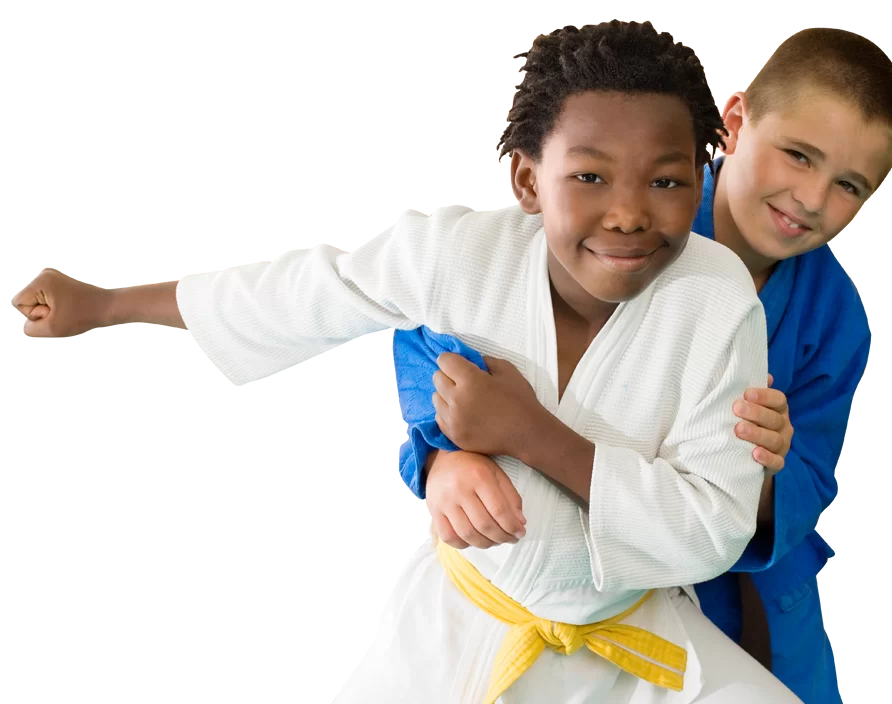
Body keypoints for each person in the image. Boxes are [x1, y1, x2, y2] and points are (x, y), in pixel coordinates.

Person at [16, 22, 801, 703]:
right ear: (528, 180)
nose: (629, 212)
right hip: (463, 625)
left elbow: (712, 531)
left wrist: (531, 435)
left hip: (635, 636)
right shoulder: (463, 257)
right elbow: (308, 289)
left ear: (702, 171)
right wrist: (108, 304)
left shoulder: (717, 299)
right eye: (588, 176)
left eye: (666, 181)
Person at [395, 27, 892, 704]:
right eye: (797, 155)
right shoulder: (618, 224)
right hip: (574, 579)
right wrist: (442, 460)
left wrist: (757, 470)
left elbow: (810, 482)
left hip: (745, 600)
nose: (813, 198)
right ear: (733, 119)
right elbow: (435, 336)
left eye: (849, 184)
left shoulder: (833, 318)